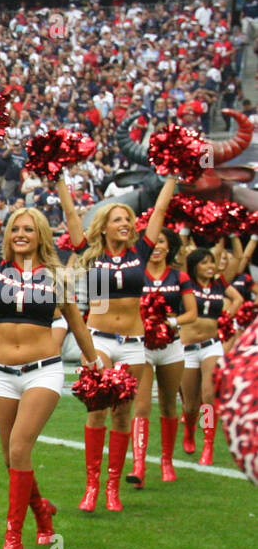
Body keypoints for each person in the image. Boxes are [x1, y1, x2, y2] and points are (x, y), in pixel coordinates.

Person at [0, 179, 100, 549]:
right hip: (3, 374)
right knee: (10, 457)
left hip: (44, 373)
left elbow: (77, 321)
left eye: (29, 229)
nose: (21, 234)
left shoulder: (55, 275)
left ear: (40, 236)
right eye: (15, 229)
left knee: (20, 448)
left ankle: (12, 539)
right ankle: (42, 516)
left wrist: (94, 364)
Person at [63, 174, 175, 511]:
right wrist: (58, 183)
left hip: (133, 343)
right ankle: (92, 487)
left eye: (128, 219)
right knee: (96, 411)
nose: (125, 223)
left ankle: (113, 487)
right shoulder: (91, 254)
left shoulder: (141, 251)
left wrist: (172, 175)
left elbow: (159, 211)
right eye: (118, 220)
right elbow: (71, 218)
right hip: (99, 340)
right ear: (104, 227)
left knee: (123, 415)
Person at [139, 228, 197, 482]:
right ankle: (139, 465)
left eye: (162, 242)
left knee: (169, 403)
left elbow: (191, 314)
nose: (157, 246)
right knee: (140, 406)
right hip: (142, 346)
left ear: (169, 246)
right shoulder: (136, 274)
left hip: (173, 345)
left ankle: (167, 460)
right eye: (153, 242)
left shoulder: (179, 275)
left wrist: (170, 323)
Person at [180, 246, 243, 466]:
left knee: (209, 396)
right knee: (190, 405)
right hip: (187, 348)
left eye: (211, 262)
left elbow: (237, 299)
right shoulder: (185, 283)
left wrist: (226, 317)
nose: (210, 267)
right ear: (195, 265)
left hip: (211, 346)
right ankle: (189, 430)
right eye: (204, 263)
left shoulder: (219, 284)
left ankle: (208, 443)